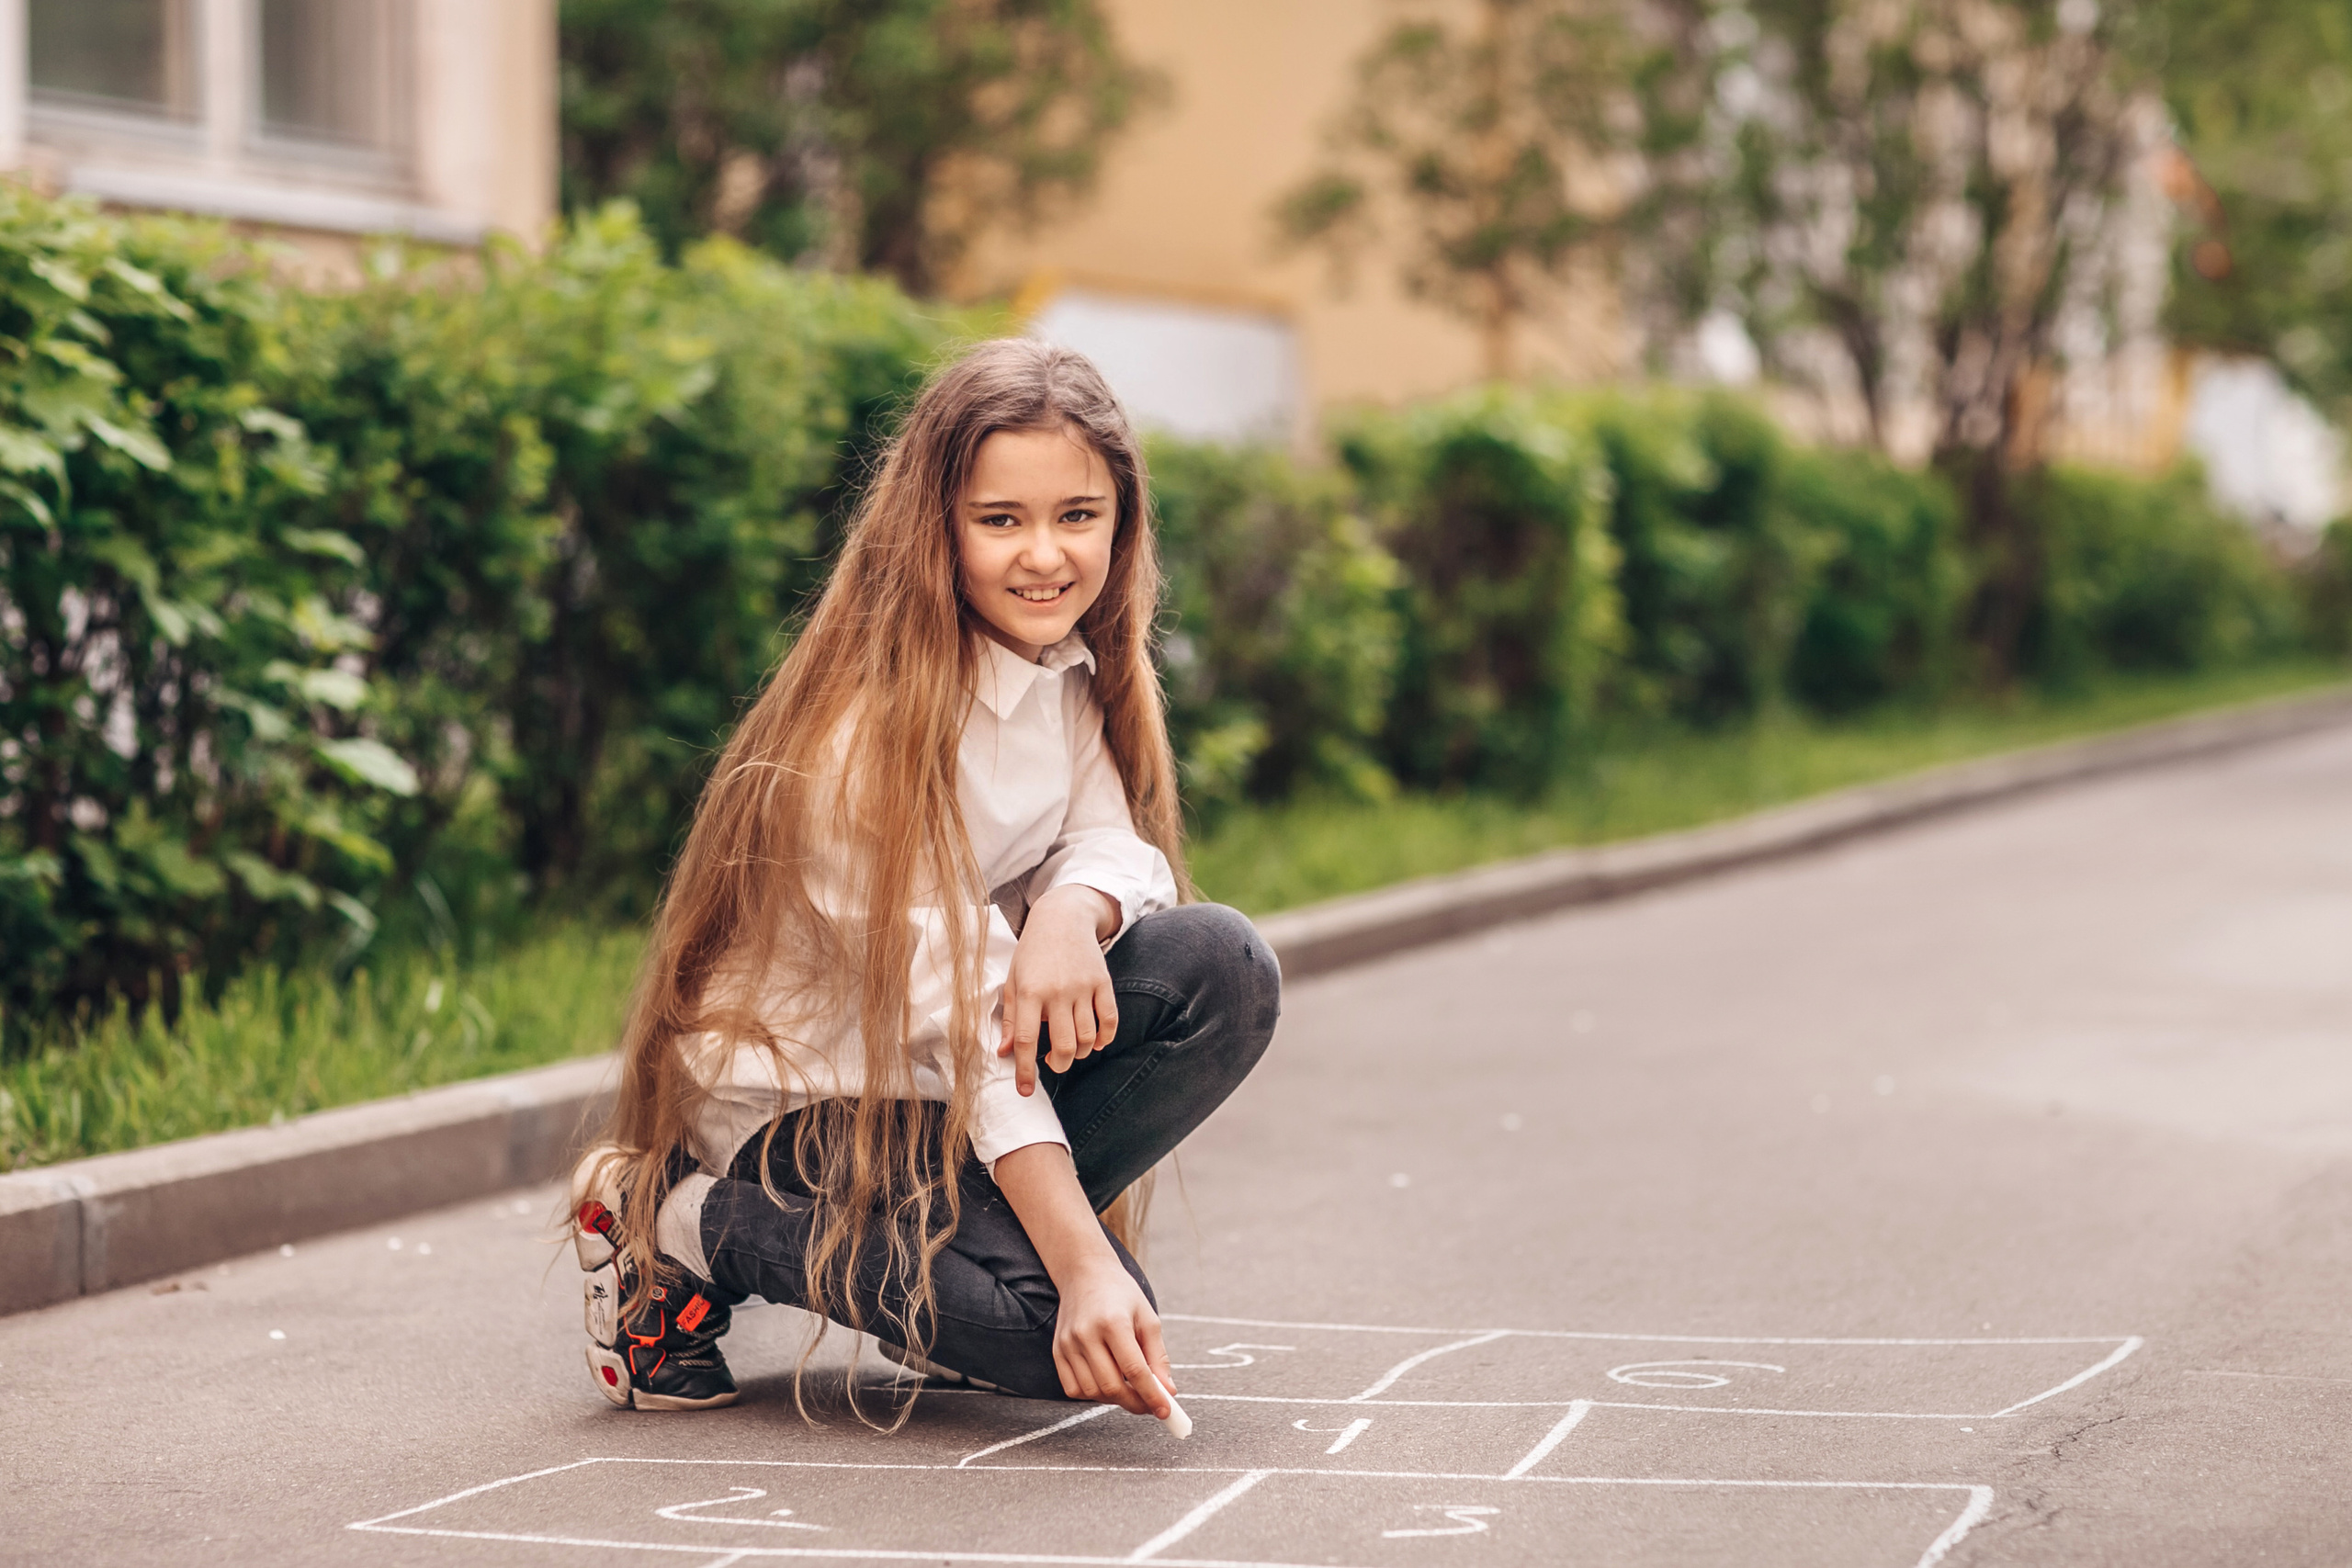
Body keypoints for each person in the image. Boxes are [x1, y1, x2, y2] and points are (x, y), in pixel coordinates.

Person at [568, 338, 1282, 1423]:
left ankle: (960, 1278)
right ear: (935, 527)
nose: (1044, 555)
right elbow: (967, 1025)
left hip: (939, 1087)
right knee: (1056, 1325)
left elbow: (1109, 844)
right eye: (1000, 520)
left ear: (1121, 523)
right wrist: (1083, 1268)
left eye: (1076, 516)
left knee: (1221, 964)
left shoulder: (1063, 673)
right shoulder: (863, 736)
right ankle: (673, 1216)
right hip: (801, 1103)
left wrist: (1066, 921)